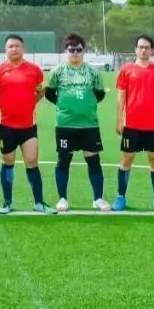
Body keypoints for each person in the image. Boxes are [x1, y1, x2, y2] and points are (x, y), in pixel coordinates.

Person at [0, 34, 56, 214]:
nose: (14, 49)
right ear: (5, 50)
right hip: (6, 126)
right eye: (10, 46)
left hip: (28, 126)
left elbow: (41, 90)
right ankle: (7, 202)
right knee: (8, 162)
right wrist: (0, 106)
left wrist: (30, 103)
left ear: (23, 48)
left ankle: (39, 202)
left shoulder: (35, 70)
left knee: (32, 162)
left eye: (17, 46)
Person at [45, 33, 108, 212]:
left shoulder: (93, 72)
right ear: (66, 50)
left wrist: (84, 106)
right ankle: (62, 199)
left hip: (89, 125)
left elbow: (100, 94)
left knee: (93, 161)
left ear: (83, 51)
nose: (75, 53)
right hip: (65, 125)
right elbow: (50, 94)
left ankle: (98, 199)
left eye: (78, 50)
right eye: (71, 49)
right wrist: (65, 105)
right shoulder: (57, 71)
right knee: (64, 160)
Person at [114, 35, 154, 212]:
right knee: (127, 159)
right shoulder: (126, 70)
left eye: (147, 47)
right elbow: (121, 97)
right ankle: (120, 197)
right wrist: (119, 119)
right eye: (140, 47)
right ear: (135, 49)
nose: (143, 50)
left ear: (152, 50)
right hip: (131, 125)